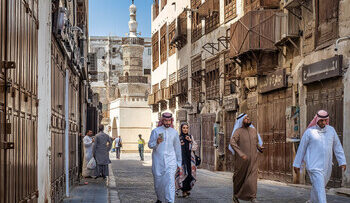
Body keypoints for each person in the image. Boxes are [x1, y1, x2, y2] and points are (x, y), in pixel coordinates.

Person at [293, 110, 346, 203]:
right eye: (321, 120)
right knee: (320, 188)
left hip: (327, 166)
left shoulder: (331, 130)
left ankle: (312, 201)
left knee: (318, 186)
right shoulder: (309, 132)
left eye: (325, 120)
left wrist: (342, 161)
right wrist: (297, 164)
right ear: (317, 120)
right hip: (313, 166)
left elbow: (337, 147)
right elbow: (302, 149)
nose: (324, 122)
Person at [229, 113, 263, 203]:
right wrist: (240, 153)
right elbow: (232, 142)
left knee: (252, 178)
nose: (248, 119)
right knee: (239, 178)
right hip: (241, 161)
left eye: (248, 117)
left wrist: (259, 148)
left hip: (253, 159)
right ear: (241, 121)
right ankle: (235, 195)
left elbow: (256, 142)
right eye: (245, 118)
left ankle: (253, 197)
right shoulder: (238, 131)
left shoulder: (253, 130)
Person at [148, 112, 182, 203]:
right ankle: (160, 199)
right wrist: (157, 142)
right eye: (166, 121)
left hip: (171, 160)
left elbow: (177, 148)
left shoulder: (174, 132)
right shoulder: (156, 131)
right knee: (158, 182)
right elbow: (150, 145)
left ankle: (170, 201)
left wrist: (179, 162)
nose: (167, 122)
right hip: (158, 161)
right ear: (162, 121)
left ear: (171, 121)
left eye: (169, 121)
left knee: (170, 181)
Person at [175, 123, 198, 198]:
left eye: (186, 128)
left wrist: (190, 141)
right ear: (181, 129)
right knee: (183, 174)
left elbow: (195, 147)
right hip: (182, 159)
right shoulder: (178, 138)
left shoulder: (190, 137)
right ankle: (184, 191)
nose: (185, 129)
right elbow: (175, 148)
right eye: (184, 128)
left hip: (190, 159)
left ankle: (187, 189)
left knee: (190, 174)